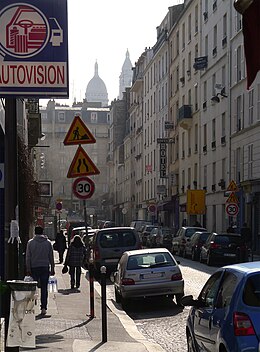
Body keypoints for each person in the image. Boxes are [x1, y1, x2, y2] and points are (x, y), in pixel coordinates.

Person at [26, 226, 55, 316]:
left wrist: (28, 268)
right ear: (43, 232)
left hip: (34, 267)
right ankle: (43, 308)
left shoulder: (30, 243)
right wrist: (53, 268)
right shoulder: (48, 243)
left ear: (35, 232)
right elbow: (51, 257)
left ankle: (30, 307)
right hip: (45, 267)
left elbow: (28, 257)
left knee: (32, 288)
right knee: (44, 288)